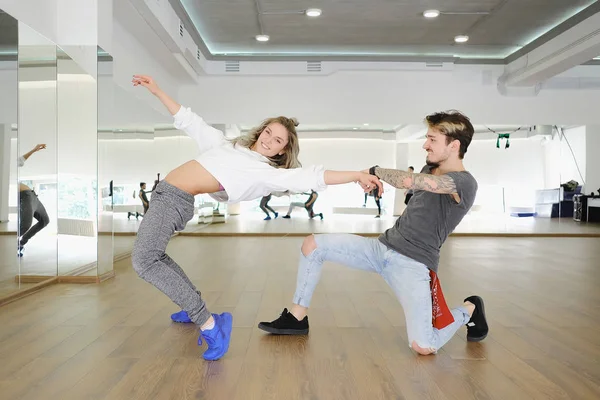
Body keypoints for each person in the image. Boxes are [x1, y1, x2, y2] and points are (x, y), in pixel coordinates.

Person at [130, 74, 383, 361]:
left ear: (282, 150)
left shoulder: (266, 172)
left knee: (144, 261)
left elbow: (312, 176)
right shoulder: (228, 146)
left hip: (173, 200)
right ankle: (191, 306)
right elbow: (190, 121)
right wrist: (157, 90)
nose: (269, 141)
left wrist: (356, 175)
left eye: (277, 140)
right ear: (261, 131)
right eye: (268, 133)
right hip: (165, 196)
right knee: (155, 257)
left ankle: (210, 325)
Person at [258, 110, 488, 356]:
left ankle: (469, 309)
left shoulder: (464, 183)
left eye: (432, 140)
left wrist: (374, 170)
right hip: (381, 249)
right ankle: (296, 318)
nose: (425, 144)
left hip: (413, 265)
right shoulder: (429, 168)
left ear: (454, 146)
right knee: (311, 245)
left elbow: (410, 182)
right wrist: (367, 177)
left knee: (424, 345)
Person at [17, 144, 50, 257]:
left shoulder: (6, 165)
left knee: (45, 220)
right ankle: (9, 244)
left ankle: (21, 243)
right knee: (25, 225)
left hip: (33, 195)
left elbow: (20, 160)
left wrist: (34, 150)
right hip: (24, 196)